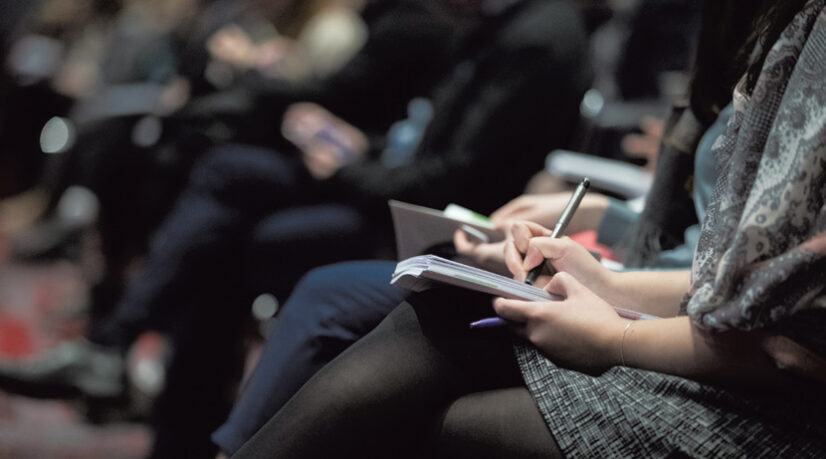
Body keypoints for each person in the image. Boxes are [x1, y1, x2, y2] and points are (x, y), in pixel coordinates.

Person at [232, 1, 826, 456]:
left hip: (777, 412)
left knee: (424, 393)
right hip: (700, 326)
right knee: (429, 311)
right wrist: (604, 280)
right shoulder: (770, 30)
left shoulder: (806, 35)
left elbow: (788, 338)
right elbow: (732, 280)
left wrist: (613, 333)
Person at [0, 0, 592, 456]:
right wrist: (365, 152)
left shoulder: (527, 37)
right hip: (397, 196)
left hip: (437, 232)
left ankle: (163, 398)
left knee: (236, 238)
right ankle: (156, 398)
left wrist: (351, 166)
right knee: (213, 186)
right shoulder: (499, 24)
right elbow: (426, 142)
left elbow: (451, 179)